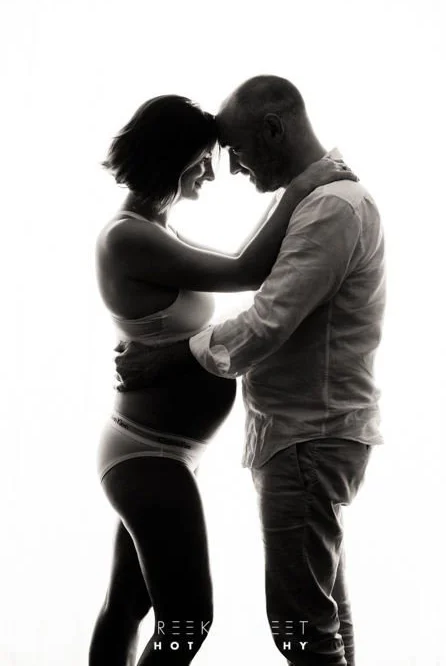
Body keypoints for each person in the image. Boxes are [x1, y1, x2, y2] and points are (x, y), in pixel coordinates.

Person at [89, 94, 355, 666]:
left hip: (162, 454)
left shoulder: (155, 229)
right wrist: (301, 186)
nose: (211, 173)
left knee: (126, 605)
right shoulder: (129, 237)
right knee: (189, 619)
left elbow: (244, 262)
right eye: (203, 161)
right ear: (170, 160)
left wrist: (295, 193)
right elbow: (246, 270)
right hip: (147, 454)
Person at [147, 76, 386, 666]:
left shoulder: (331, 207)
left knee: (299, 624)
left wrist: (169, 357)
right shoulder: (321, 199)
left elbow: (267, 323)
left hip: (308, 437)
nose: (232, 168)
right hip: (310, 435)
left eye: (235, 150)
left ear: (274, 129)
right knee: (322, 614)